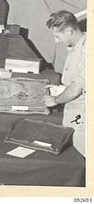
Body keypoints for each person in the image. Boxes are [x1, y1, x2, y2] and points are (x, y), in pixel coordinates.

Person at [43, 10, 86, 157]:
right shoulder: (75, 48)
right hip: (74, 113)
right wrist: (59, 89)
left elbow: (76, 89)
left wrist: (55, 100)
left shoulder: (88, 50)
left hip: (83, 116)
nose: (57, 40)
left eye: (58, 36)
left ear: (68, 31)